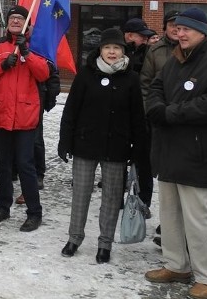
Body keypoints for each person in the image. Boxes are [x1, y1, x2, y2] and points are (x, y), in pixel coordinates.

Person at [144, 7, 207, 299]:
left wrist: (171, 113)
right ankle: (176, 264)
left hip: (199, 153)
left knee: (198, 219)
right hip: (168, 150)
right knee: (169, 214)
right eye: (177, 28)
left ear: (202, 32)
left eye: (186, 29)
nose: (180, 33)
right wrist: (157, 109)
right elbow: (155, 89)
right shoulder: (174, 61)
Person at [58, 27, 146, 263]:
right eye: (108, 47)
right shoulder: (86, 74)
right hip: (85, 144)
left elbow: (138, 117)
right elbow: (71, 110)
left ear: (123, 51)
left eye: (117, 48)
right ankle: (74, 238)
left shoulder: (131, 79)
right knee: (81, 194)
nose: (112, 52)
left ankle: (105, 243)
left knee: (111, 198)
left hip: (116, 147)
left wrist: (138, 149)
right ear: (100, 50)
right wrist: (65, 140)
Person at [0, 4, 50, 232]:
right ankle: (3, 207)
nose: (16, 21)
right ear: (7, 23)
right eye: (13, 18)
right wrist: (2, 64)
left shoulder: (35, 47)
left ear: (27, 24)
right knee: (2, 166)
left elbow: (44, 73)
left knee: (26, 166)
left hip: (25, 118)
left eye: (21, 18)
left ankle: (34, 212)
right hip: (1, 116)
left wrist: (26, 54)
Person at [137, 10, 180, 226]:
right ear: (164, 27)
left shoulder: (192, 49)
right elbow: (145, 84)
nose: (176, 28)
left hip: (182, 121)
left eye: (180, 25)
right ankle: (143, 202)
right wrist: (149, 111)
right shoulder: (155, 50)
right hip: (155, 117)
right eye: (172, 24)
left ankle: (171, 221)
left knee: (174, 169)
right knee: (148, 164)